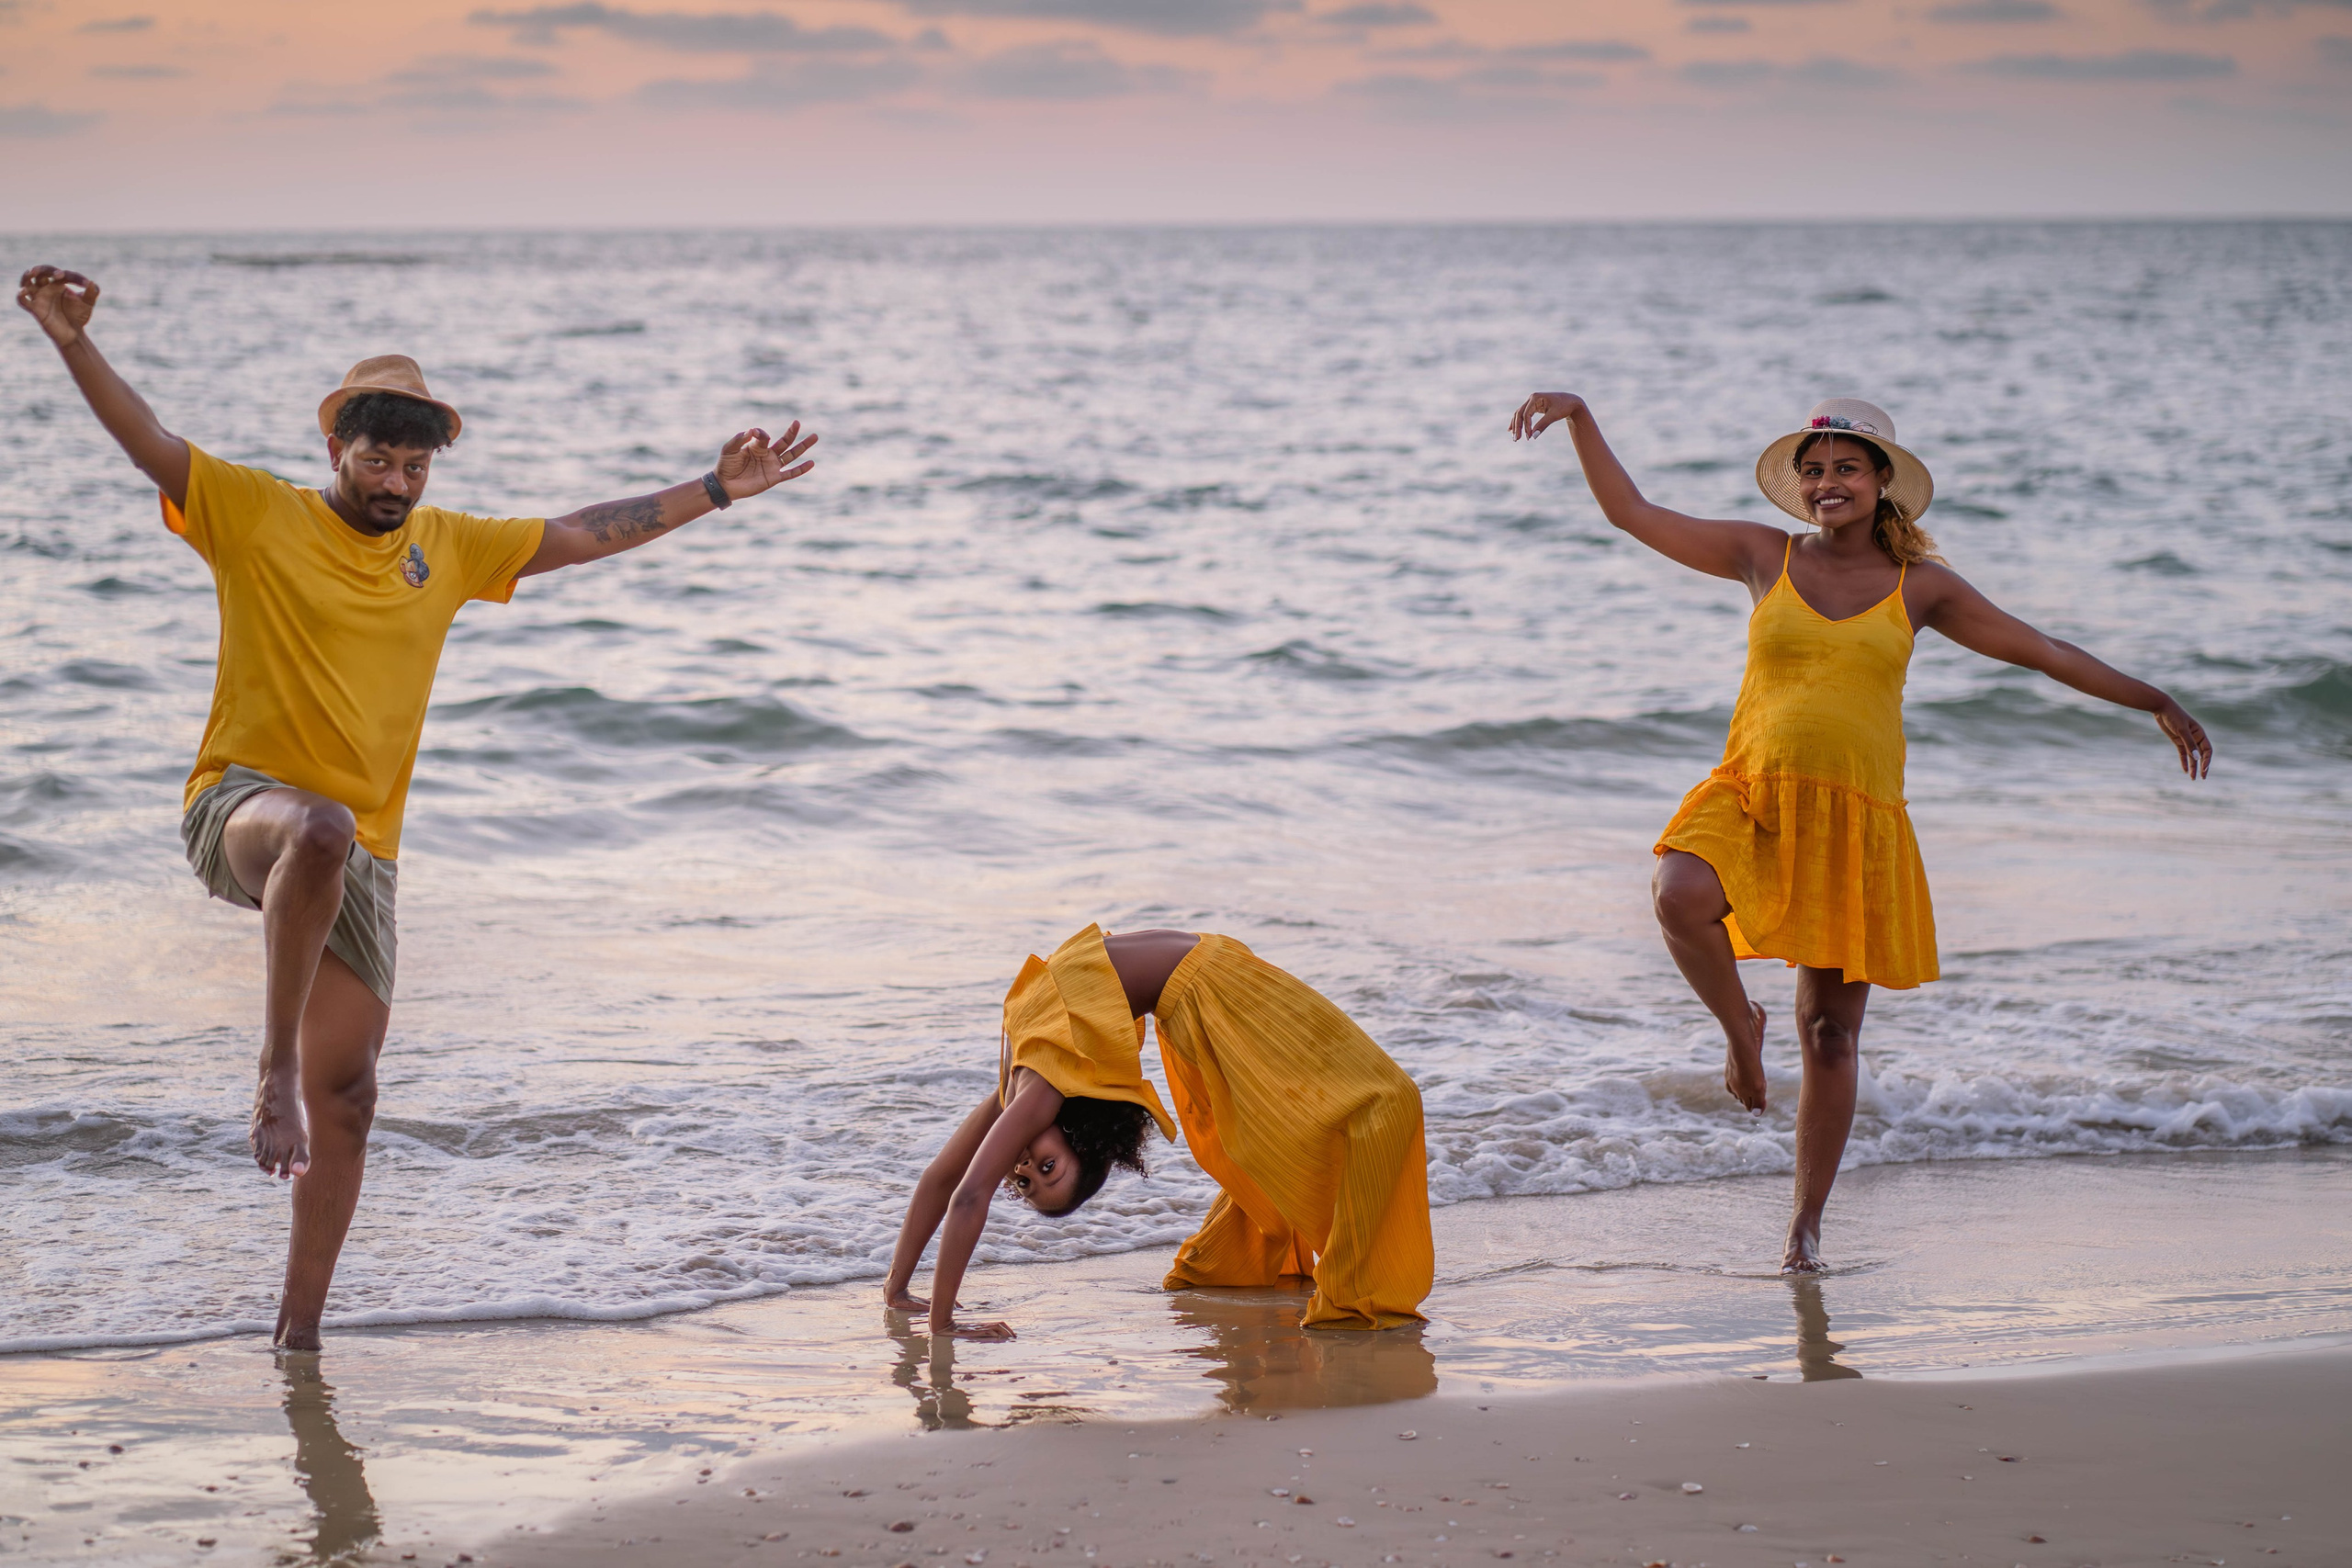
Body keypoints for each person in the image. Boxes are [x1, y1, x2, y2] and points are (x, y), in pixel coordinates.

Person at [16, 264, 819, 1348]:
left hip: (360, 865)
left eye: (412, 461)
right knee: (317, 834)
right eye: (376, 455)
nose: (394, 478)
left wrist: (718, 489)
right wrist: (70, 341)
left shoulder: (446, 551)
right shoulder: (255, 514)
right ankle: (268, 1076)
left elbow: (584, 531)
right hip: (240, 811)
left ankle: (297, 1336)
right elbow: (147, 440)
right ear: (334, 450)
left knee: (347, 1097)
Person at [1507, 392, 2211, 1272]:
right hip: (1756, 793)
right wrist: (1579, 417)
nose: (1827, 482)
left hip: (1853, 822)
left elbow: (2042, 649)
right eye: (1814, 470)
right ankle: (1739, 1030)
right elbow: (1632, 512)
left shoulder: (1924, 589)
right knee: (1679, 893)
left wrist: (2157, 699)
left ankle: (1804, 1228)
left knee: (1832, 1037)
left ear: (1884, 483)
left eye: (1846, 467)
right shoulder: (1763, 555)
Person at [883, 924, 1431, 1337]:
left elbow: (964, 1192)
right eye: (1038, 1176)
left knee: (1380, 1102)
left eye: (1034, 1175)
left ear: (1079, 1139)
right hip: (1201, 1000)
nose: (1024, 1168)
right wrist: (897, 1290)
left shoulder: (1034, 1090)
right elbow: (944, 1179)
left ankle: (1351, 1269)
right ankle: (1342, 1260)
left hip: (1216, 986)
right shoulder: (1032, 1087)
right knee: (1336, 1119)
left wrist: (939, 1323)